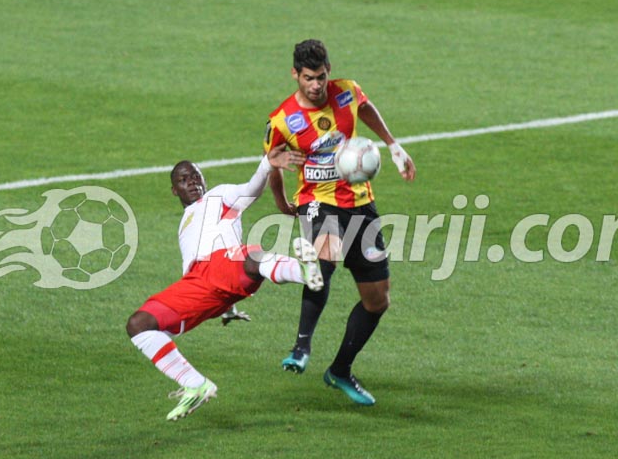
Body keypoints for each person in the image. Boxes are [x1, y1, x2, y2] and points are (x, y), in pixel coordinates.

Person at [264, 39, 416, 406]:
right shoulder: (282, 119)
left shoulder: (346, 92)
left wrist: (393, 145)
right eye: (308, 79)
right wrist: (283, 200)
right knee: (324, 258)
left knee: (378, 300)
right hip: (316, 201)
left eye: (321, 77)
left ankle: (340, 370)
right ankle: (301, 347)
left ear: (328, 70)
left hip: (360, 203)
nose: (316, 85)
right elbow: (273, 164)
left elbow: (366, 108)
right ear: (295, 75)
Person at [126, 145, 323, 421]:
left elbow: (251, 189)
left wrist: (267, 164)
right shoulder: (184, 224)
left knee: (252, 256)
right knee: (138, 324)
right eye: (184, 180)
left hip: (225, 265)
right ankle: (194, 384)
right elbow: (196, 273)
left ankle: (305, 272)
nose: (192, 182)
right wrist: (226, 308)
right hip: (197, 282)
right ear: (175, 190)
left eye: (195, 176)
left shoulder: (220, 195)